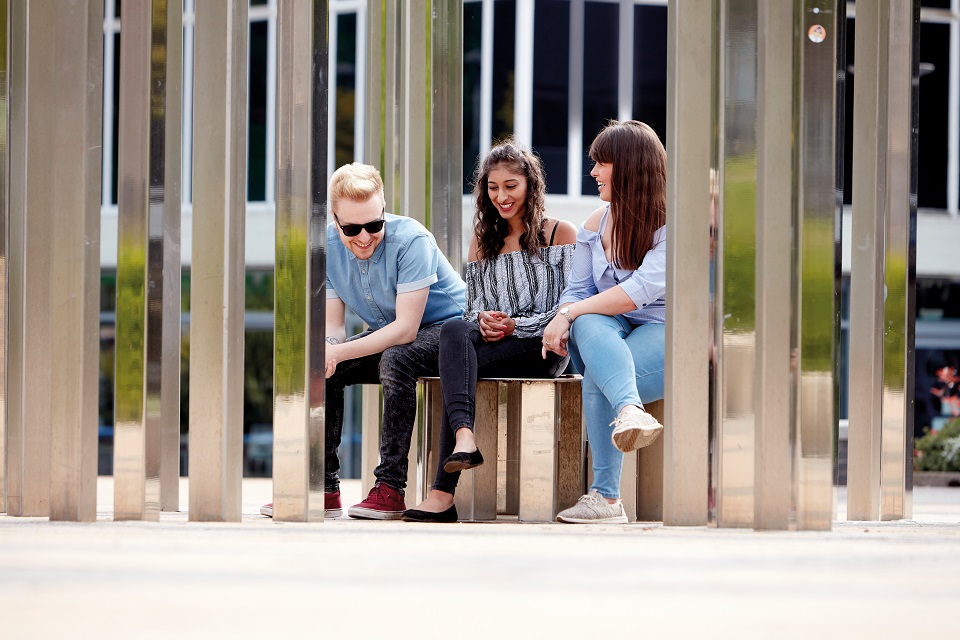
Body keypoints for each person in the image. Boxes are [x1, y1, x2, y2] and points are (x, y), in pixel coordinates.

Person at [261, 162, 466, 519]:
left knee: (396, 359)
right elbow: (334, 328)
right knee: (326, 365)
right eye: (352, 228)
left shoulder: (412, 240)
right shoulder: (325, 246)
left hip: (453, 335)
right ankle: (322, 487)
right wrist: (327, 351)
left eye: (374, 224)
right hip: (397, 338)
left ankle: (390, 488)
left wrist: (336, 351)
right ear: (335, 220)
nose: (365, 236)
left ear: (384, 210)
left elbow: (406, 329)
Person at [401, 139, 577, 523]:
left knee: (457, 369)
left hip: (543, 348)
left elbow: (570, 306)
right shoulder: (483, 240)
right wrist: (484, 320)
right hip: (498, 344)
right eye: (492, 188)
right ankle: (464, 438)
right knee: (454, 330)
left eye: (510, 186)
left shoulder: (561, 233)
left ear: (531, 184)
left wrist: (518, 324)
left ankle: (441, 496)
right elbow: (473, 306)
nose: (501, 196)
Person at [542, 120, 666, 524]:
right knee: (587, 323)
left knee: (598, 368)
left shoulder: (672, 222)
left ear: (630, 166)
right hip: (611, 334)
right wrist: (567, 313)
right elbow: (577, 291)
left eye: (602, 163)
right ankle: (630, 410)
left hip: (666, 332)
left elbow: (640, 292)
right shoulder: (595, 223)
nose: (593, 172)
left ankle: (607, 499)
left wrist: (568, 313)